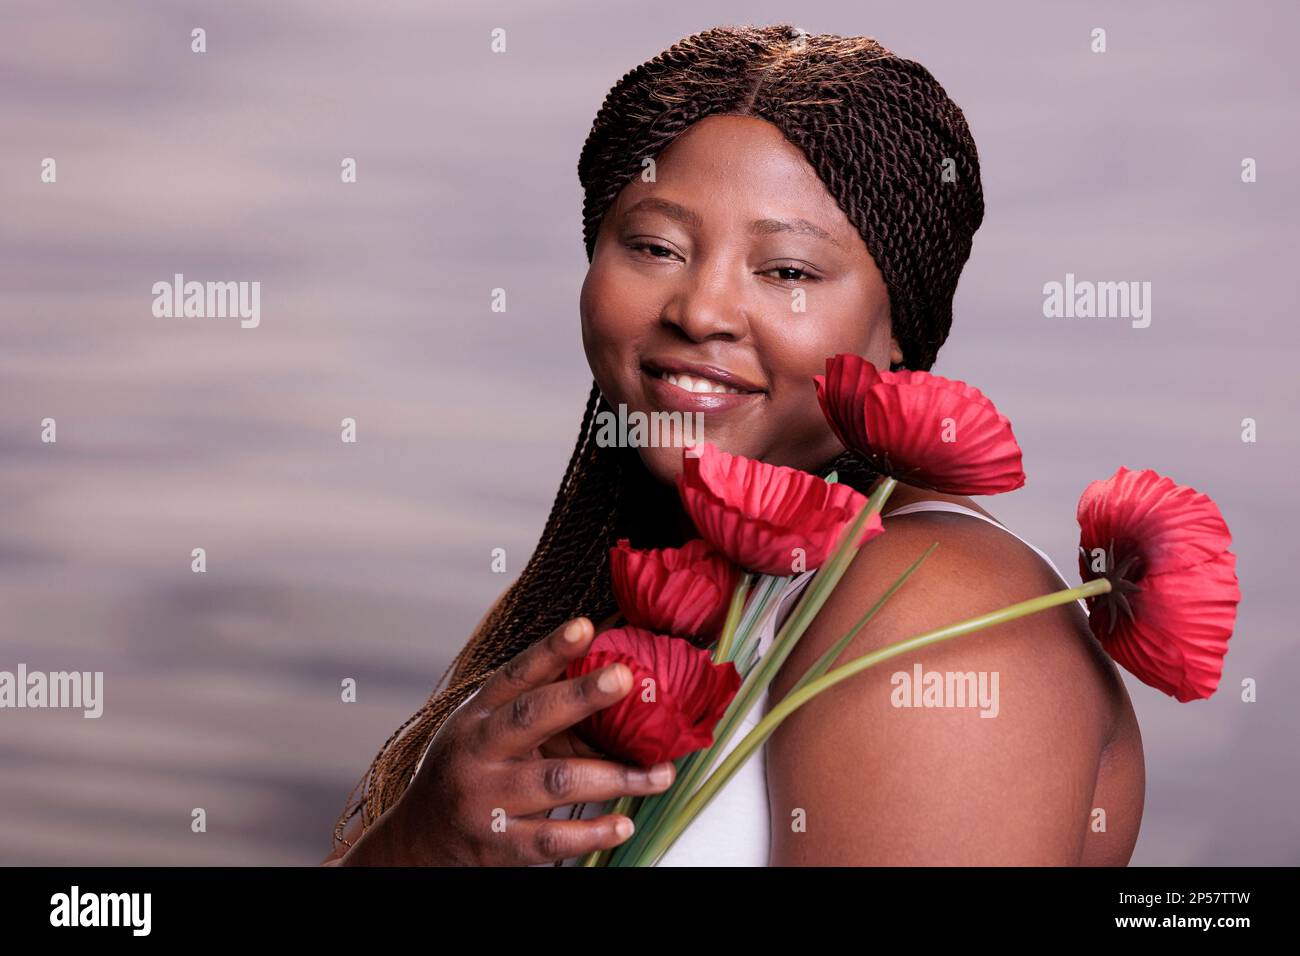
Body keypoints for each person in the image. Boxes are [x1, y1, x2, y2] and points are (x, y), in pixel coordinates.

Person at [322, 24, 1144, 867]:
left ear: (901, 326)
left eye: (787, 270)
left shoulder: (936, 610)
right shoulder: (669, 587)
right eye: (654, 247)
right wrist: (418, 847)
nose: (700, 309)